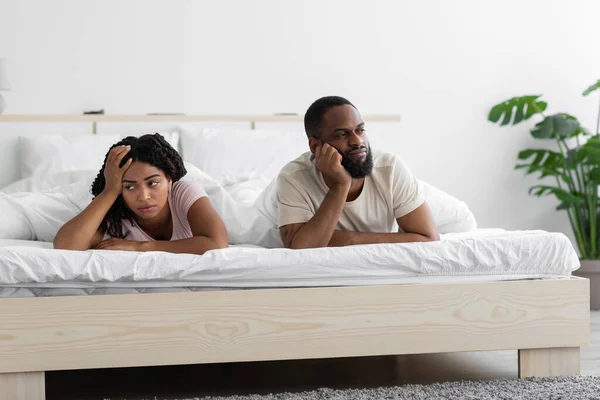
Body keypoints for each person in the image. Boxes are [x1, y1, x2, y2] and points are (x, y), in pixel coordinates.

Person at [277, 96, 440, 249]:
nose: (357, 141)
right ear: (314, 147)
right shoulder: (293, 177)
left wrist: (350, 239)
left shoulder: (390, 168)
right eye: (342, 134)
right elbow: (300, 249)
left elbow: (429, 239)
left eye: (360, 130)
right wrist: (341, 184)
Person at [54, 133, 228, 254]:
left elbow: (217, 244)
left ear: (169, 180)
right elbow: (66, 247)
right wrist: (109, 191)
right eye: (130, 186)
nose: (143, 196)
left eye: (153, 183)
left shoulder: (183, 192)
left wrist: (140, 246)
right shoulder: (116, 209)